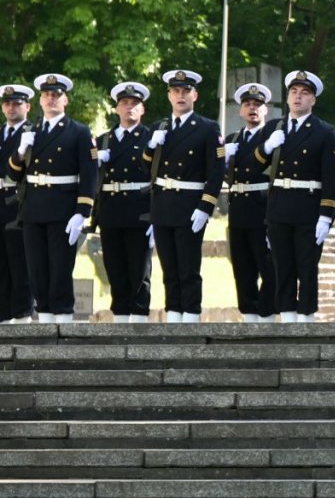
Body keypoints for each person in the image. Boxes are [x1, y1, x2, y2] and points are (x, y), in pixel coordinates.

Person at [5, 74, 97, 323]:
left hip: (63, 209)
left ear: (65, 100)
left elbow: (89, 175)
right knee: (37, 271)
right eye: (46, 96)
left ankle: (63, 324)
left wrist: (82, 212)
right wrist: (21, 151)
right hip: (34, 209)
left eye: (55, 95)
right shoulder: (32, 131)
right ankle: (45, 324)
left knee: (60, 271)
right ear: (41, 101)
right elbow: (14, 173)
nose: (50, 100)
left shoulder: (78, 131)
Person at [258, 71, 335, 322]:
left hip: (309, 206)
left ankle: (306, 317)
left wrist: (326, 216)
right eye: (294, 92)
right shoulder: (274, 127)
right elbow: (255, 165)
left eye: (304, 93)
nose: (298, 97)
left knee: (306, 267)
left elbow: (331, 178)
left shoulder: (324, 131)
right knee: (282, 266)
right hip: (280, 206)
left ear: (313, 100)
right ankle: (287, 316)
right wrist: (266, 147)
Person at [145, 69, 223, 323]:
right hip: (163, 205)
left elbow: (216, 171)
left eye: (186, 91)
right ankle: (173, 315)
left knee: (188, 267)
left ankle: (190, 317)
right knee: (168, 268)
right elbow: (144, 168)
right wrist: (149, 148)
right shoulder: (159, 127)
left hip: (190, 205)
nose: (180, 95)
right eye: (176, 91)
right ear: (169, 95)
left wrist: (206, 206)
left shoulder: (207, 128)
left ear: (195, 95)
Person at [96, 82, 154, 323]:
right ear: (116, 108)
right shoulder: (103, 140)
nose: (129, 108)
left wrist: (157, 215)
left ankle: (139, 319)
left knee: (139, 270)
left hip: (140, 210)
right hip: (110, 210)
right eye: (124, 103)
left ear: (142, 110)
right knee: (115, 268)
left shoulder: (150, 137)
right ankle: (120, 319)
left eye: (134, 104)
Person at [224, 83, 277, 322]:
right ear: (240, 111)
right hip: (238, 209)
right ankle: (249, 316)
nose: (252, 108)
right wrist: (223, 160)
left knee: (268, 265)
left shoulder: (274, 137)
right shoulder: (232, 139)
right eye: (247, 105)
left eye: (257, 105)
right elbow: (225, 176)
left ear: (266, 110)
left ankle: (266, 315)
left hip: (264, 207)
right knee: (242, 268)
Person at [0, 84, 35, 324]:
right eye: (7, 103)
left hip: (20, 203)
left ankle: (22, 317)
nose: (12, 108)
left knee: (20, 263)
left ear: (28, 106)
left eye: (17, 103)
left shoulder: (34, 133)